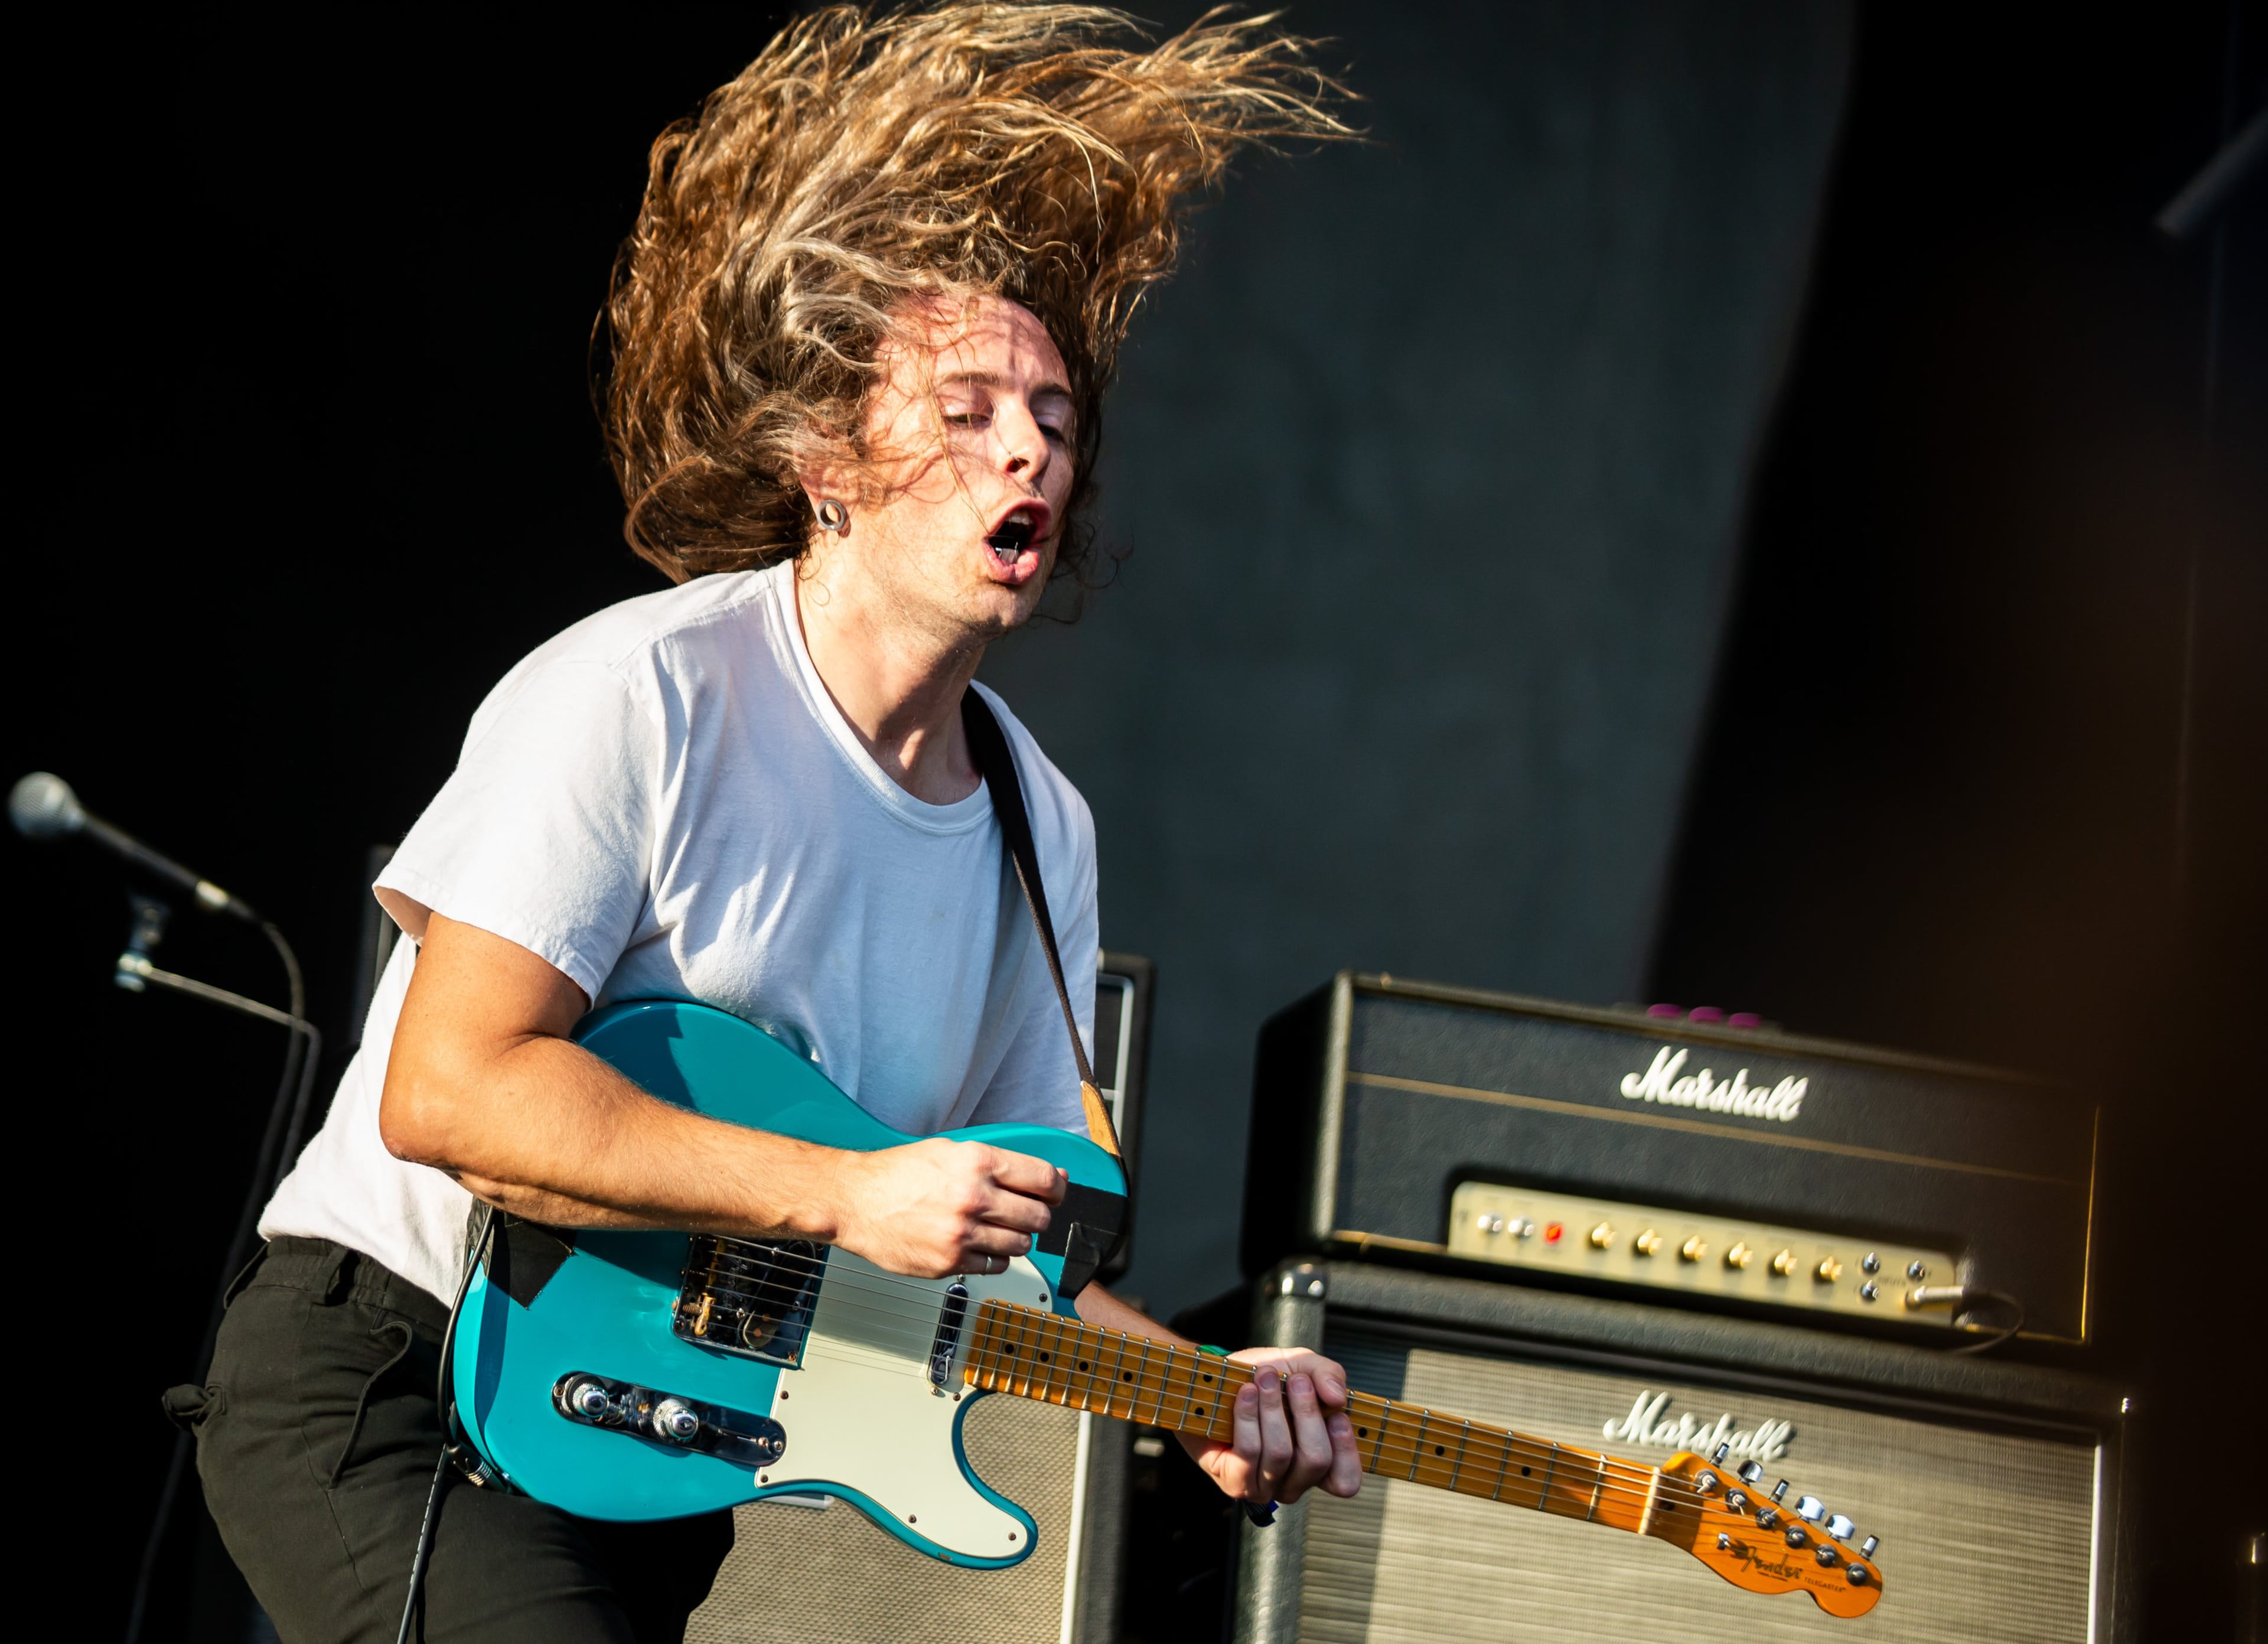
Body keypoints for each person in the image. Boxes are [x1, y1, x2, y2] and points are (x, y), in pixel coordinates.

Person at [180, 6, 1358, 1640]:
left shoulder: (1042, 827)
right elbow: (451, 1091)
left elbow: (1010, 1251)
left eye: (1055, 416)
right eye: (966, 409)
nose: (1028, 444)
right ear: (825, 462)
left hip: (648, 1445)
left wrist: (1202, 1394)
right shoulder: (644, 693)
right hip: (404, 1375)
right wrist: (841, 1193)